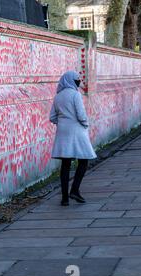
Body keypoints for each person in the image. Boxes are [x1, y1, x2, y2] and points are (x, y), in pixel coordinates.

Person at [49, 71, 97, 206]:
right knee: (83, 160)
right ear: (71, 81)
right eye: (77, 80)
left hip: (63, 131)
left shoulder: (58, 96)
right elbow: (81, 114)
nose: (78, 82)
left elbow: (52, 117)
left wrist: (63, 122)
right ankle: (75, 189)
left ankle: (64, 198)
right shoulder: (75, 94)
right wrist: (86, 124)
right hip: (77, 131)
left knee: (65, 164)